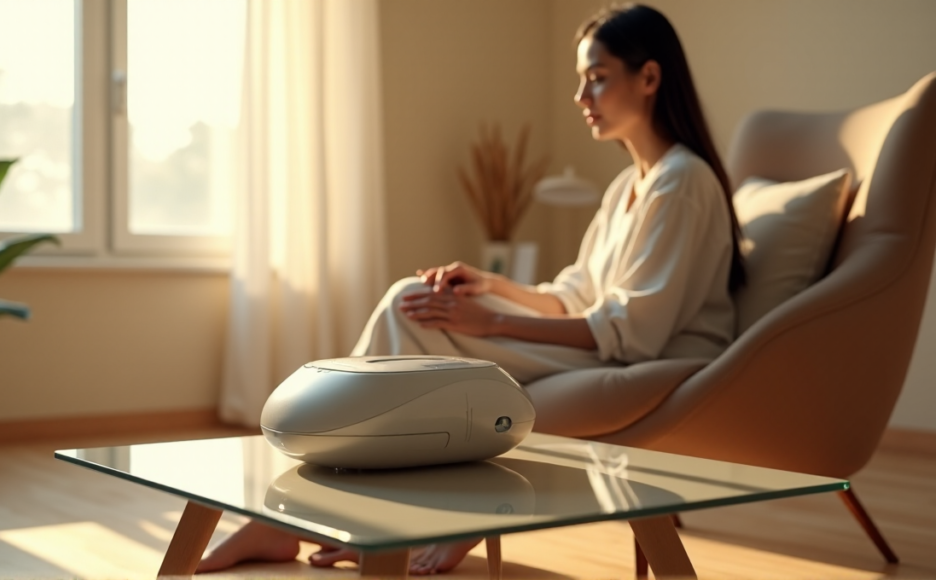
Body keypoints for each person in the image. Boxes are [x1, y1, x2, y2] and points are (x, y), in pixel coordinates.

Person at [197, 3, 745, 575]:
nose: (582, 97)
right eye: (582, 81)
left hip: (656, 358)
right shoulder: (628, 188)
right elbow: (574, 295)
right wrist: (491, 286)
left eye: (598, 78)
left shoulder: (682, 183)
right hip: (609, 342)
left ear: (650, 78)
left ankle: (312, 517)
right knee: (414, 303)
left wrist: (493, 322)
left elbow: (633, 332)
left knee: (409, 308)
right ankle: (353, 515)